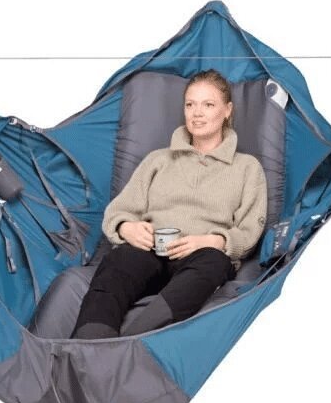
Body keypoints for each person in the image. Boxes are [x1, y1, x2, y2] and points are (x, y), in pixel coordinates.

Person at [71, 69, 268, 339]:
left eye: (208, 105)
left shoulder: (247, 167)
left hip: (201, 256)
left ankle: (135, 341)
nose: (197, 113)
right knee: (119, 260)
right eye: (190, 104)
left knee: (213, 262)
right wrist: (127, 228)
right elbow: (118, 211)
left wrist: (214, 241)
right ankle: (89, 343)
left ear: (227, 110)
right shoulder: (158, 160)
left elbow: (249, 231)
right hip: (150, 252)